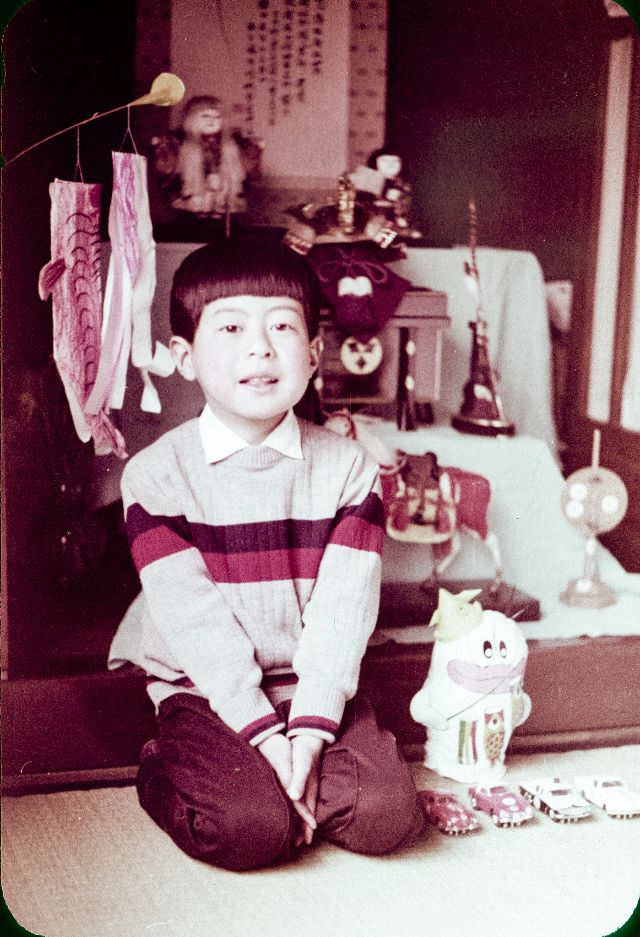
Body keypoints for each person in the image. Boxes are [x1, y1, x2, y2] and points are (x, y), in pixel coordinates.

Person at [110, 238, 427, 871]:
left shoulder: (349, 470)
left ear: (312, 356)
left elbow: (341, 615)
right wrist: (263, 740)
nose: (260, 346)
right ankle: (162, 766)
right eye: (230, 327)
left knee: (386, 816)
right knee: (251, 831)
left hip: (313, 683)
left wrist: (306, 737)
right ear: (185, 356)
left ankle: (289, 765)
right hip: (207, 689)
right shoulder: (155, 477)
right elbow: (196, 625)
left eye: (282, 326)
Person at [151, 95, 246, 216]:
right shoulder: (182, 143)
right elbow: (168, 168)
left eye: (217, 117)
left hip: (223, 191)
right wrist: (162, 147)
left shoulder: (230, 145)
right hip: (193, 194)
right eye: (205, 116)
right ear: (192, 118)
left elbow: (244, 168)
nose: (211, 121)